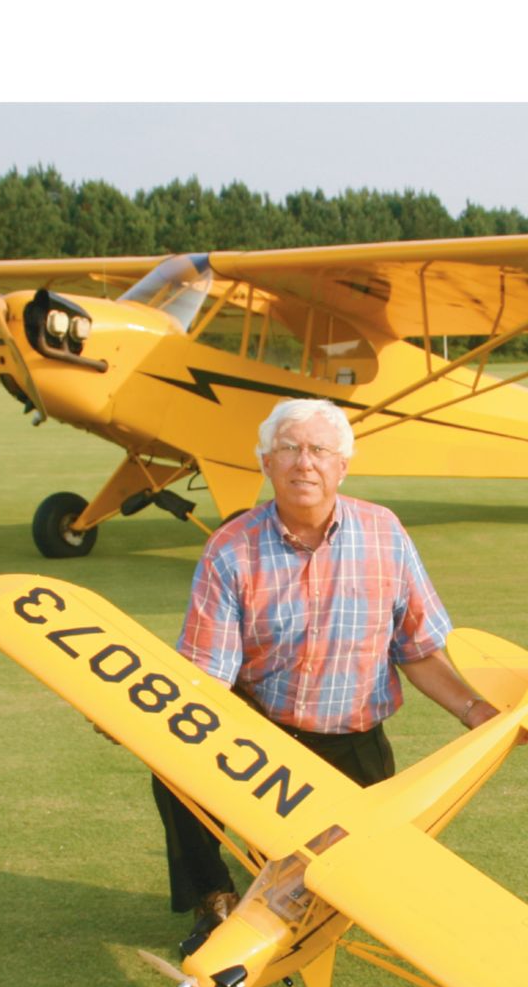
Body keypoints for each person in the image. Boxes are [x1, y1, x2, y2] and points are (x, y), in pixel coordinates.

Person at [152, 397, 500, 953]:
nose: (303, 463)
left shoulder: (385, 533)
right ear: (267, 464)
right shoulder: (231, 548)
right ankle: (212, 898)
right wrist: (149, 721)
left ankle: (284, 868)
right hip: (260, 736)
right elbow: (206, 677)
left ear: (343, 465)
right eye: (288, 449)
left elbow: (417, 648)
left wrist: (479, 713)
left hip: (353, 740)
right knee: (173, 768)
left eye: (319, 450)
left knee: (330, 895)